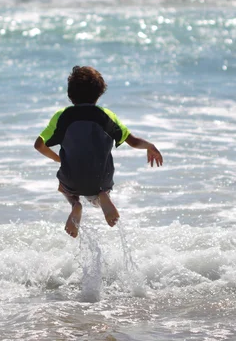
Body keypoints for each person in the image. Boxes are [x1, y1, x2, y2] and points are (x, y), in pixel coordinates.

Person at [34, 66, 163, 238]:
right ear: (99, 93)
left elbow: (39, 145)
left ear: (70, 94)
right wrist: (149, 146)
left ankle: (75, 205)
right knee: (97, 191)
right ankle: (103, 195)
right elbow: (133, 141)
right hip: (101, 178)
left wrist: (59, 160)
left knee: (63, 187)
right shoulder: (106, 115)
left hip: (72, 178)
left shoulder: (62, 116)